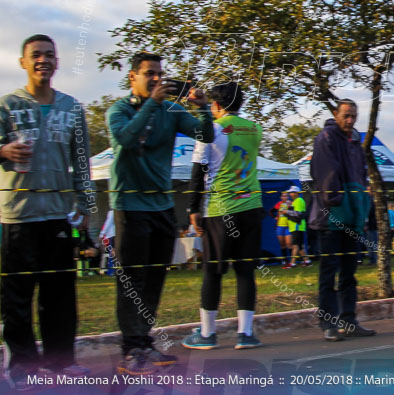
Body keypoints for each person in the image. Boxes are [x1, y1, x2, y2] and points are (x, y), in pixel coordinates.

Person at [106, 51, 214, 375]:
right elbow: (126, 139)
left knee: (154, 278)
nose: (156, 79)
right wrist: (152, 104)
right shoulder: (119, 110)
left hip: (162, 207)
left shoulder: (171, 109)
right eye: (149, 74)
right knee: (132, 281)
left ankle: (145, 342)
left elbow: (205, 135)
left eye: (159, 74)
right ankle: (130, 349)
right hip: (130, 205)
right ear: (133, 78)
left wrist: (204, 108)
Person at [0, 35, 93, 386]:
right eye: (35, 55)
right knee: (17, 298)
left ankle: (60, 362)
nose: (43, 60)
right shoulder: (6, 105)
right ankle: (22, 367)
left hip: (57, 215)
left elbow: (82, 163)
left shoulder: (71, 107)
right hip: (17, 215)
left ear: (57, 62)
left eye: (50, 55)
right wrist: (4, 150)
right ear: (23, 62)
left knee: (59, 295)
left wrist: (85, 204)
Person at [182, 83, 263, 351]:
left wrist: (193, 209)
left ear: (216, 106)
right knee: (245, 272)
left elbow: (198, 171)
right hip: (251, 206)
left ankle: (207, 334)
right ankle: (245, 333)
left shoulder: (211, 129)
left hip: (220, 209)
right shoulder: (255, 129)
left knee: (213, 272)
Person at [307, 99, 375, 341]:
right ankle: (328, 322)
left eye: (353, 116)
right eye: (346, 115)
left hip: (352, 217)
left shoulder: (355, 141)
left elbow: (361, 175)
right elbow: (326, 175)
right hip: (331, 218)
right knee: (329, 272)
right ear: (335, 114)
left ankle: (349, 319)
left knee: (349, 272)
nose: (350, 120)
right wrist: (337, 201)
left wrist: (360, 206)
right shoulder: (326, 137)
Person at [289, 186, 310, 267]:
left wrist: (286, 211)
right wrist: (290, 207)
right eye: (290, 192)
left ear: (296, 193)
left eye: (291, 192)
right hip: (295, 227)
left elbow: (298, 214)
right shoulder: (295, 201)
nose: (290, 194)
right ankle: (307, 261)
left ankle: (292, 263)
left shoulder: (299, 200)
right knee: (300, 246)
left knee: (295, 245)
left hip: (297, 226)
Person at [273, 189, 294, 268]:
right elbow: (271, 211)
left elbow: (294, 212)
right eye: (283, 196)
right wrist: (275, 217)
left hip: (288, 226)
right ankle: (285, 260)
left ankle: (292, 261)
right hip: (280, 226)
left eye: (286, 196)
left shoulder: (290, 203)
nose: (285, 197)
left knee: (289, 244)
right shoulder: (279, 204)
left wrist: (290, 207)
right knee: (282, 245)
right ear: (281, 197)